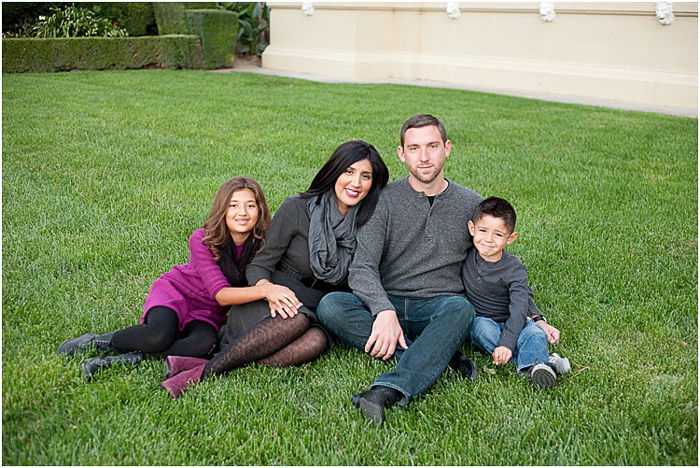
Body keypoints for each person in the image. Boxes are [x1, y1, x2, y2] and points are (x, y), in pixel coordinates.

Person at [317, 114, 562, 424]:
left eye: (432, 146)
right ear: (401, 154)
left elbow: (500, 266)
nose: (424, 156)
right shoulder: (382, 201)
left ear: (447, 148)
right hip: (390, 300)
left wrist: (535, 317)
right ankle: (438, 358)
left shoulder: (471, 204)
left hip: (440, 308)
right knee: (332, 305)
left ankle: (387, 390)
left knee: (461, 309)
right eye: (414, 147)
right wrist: (383, 311)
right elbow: (362, 267)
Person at [161, 140, 390, 398]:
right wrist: (266, 288)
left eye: (365, 176)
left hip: (317, 306)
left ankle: (208, 364)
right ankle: (200, 375)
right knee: (297, 318)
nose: (356, 183)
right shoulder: (298, 207)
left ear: (373, 183)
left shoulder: (370, 222)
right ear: (334, 171)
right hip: (272, 298)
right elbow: (261, 263)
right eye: (348, 172)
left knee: (317, 342)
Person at [56, 177, 298, 379]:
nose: (242, 213)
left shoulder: (264, 244)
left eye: (250, 205)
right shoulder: (203, 239)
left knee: (203, 345)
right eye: (233, 205)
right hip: (177, 293)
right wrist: (267, 290)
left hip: (208, 312)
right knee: (159, 335)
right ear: (222, 209)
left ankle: (125, 360)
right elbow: (221, 294)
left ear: (260, 209)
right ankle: (100, 342)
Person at [463, 196, 570, 388]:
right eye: (483, 231)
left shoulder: (514, 269)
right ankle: (544, 363)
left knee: (535, 334)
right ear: (472, 229)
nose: (488, 240)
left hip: (515, 319)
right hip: (486, 321)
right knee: (480, 328)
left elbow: (520, 306)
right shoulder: (466, 255)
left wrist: (507, 343)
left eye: (497, 234)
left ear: (510, 238)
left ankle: (535, 366)